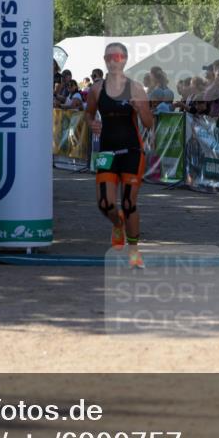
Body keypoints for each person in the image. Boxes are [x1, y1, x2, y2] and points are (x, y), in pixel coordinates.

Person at [85, 42, 154, 268]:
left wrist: (140, 108)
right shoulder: (97, 89)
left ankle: (134, 253)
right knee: (105, 203)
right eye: (111, 57)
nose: (115, 61)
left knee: (128, 203)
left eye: (119, 57)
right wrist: (92, 123)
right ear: (105, 60)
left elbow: (148, 123)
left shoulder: (135, 88)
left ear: (125, 60)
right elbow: (88, 114)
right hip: (107, 151)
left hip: (132, 151)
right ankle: (117, 223)